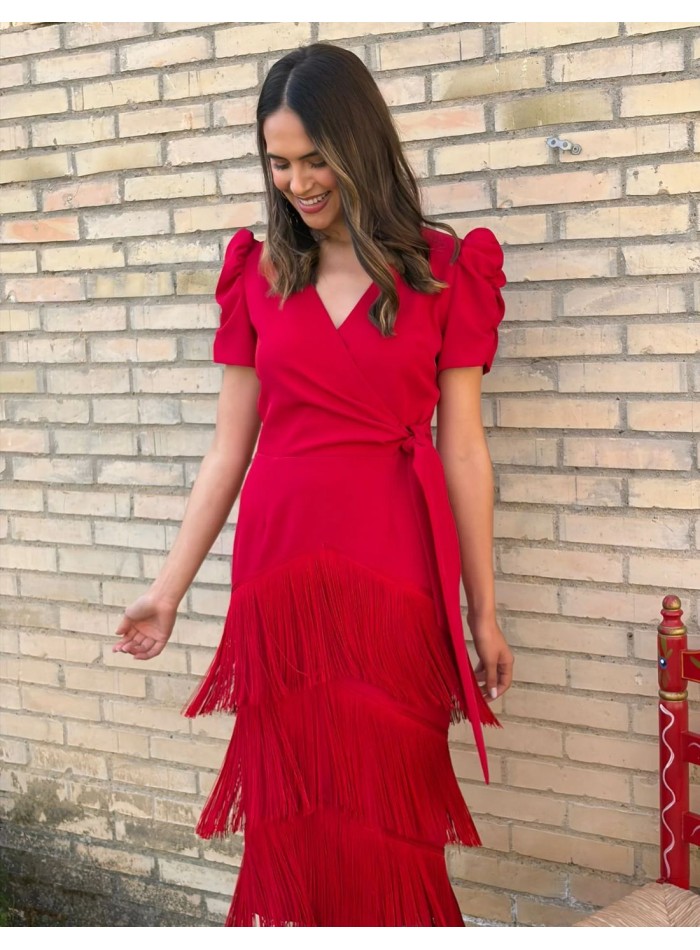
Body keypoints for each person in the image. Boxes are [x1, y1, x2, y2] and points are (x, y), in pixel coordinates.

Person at [113, 42, 514, 927]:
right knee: (297, 809)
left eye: (314, 158)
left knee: (390, 807)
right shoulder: (258, 273)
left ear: (359, 144)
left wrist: (481, 610)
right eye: (278, 162)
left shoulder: (445, 268)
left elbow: (465, 451)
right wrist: (166, 591)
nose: (297, 182)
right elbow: (228, 451)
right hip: (281, 578)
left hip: (396, 571)